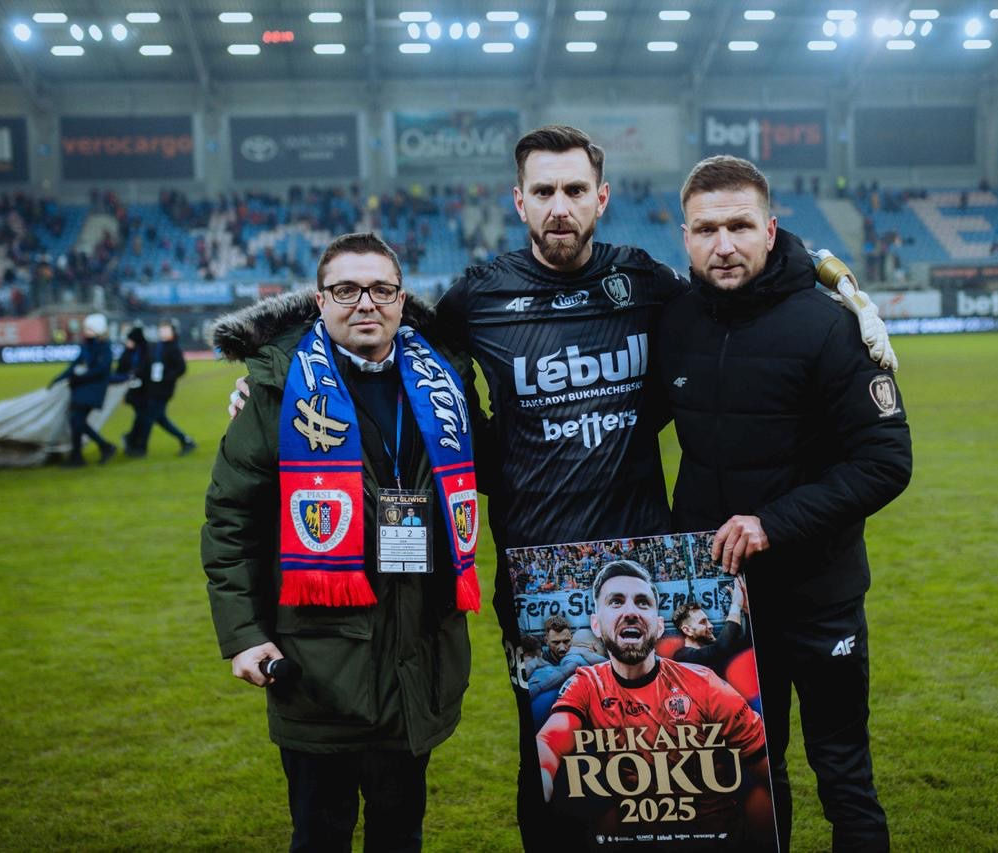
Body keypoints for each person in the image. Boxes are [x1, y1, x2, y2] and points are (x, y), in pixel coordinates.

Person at [225, 126, 896, 850]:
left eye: (575, 190)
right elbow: (383, 330)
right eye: (543, 191)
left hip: (646, 570)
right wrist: (280, 378)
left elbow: (740, 292)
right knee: (552, 768)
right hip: (538, 576)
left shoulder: (645, 283)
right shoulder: (478, 296)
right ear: (519, 201)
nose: (559, 206)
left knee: (660, 771)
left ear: (600, 198)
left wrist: (843, 290)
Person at [660, 155, 913, 852]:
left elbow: (886, 462)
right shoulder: (676, 322)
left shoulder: (829, 326)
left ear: (770, 230)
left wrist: (773, 523)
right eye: (706, 229)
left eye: (740, 226)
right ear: (685, 238)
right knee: (748, 777)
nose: (724, 244)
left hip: (819, 597)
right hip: (724, 605)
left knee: (843, 773)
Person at [201, 232, 482, 852]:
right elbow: (230, 519)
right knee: (320, 836)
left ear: (402, 299)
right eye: (347, 289)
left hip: (418, 659)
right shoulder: (277, 389)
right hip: (317, 670)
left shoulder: (446, 381)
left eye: (381, 289)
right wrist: (243, 634)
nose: (366, 303)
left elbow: (501, 462)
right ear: (320, 300)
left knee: (399, 835)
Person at [535, 560, 774, 846]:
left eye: (642, 602)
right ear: (596, 625)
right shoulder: (586, 684)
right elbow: (550, 741)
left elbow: (768, 769)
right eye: (616, 602)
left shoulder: (704, 684)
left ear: (659, 626)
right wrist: (542, 776)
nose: (630, 612)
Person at [51, 312, 117, 467]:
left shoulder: (104, 348)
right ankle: (92, 451)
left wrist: (79, 378)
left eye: (89, 328)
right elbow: (74, 365)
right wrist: (59, 378)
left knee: (77, 421)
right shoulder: (87, 346)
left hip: (93, 390)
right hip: (82, 389)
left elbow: (101, 370)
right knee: (76, 422)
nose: (86, 331)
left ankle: (83, 454)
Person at [129, 321, 196, 457]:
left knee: (149, 417)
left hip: (163, 390)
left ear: (173, 332)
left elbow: (181, 368)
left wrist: (167, 377)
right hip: (153, 388)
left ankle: (141, 448)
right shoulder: (157, 346)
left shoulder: (173, 348)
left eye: (166, 330)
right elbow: (148, 364)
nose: (163, 332)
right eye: (162, 330)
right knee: (159, 418)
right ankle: (186, 440)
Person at [671, 576, 748, 677]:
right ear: (687, 630)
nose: (711, 625)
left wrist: (747, 610)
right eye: (703, 622)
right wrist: (736, 605)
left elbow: (746, 644)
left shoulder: (711, 650)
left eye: (708, 621)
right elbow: (719, 649)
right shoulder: (682, 657)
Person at [117, 327, 149, 455]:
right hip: (132, 391)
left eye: (130, 340)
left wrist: (136, 374)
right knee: (142, 417)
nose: (127, 342)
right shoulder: (128, 353)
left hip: (145, 391)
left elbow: (146, 369)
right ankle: (134, 442)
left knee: (143, 417)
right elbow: (120, 369)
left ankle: (133, 441)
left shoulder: (145, 352)